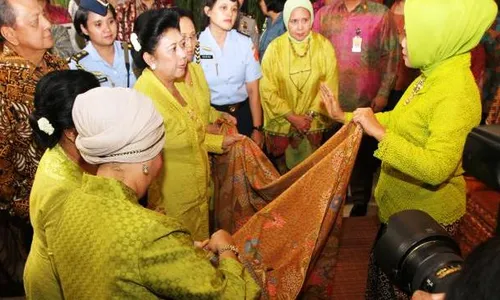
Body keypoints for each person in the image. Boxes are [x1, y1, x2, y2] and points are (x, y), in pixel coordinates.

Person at [320, 0, 497, 298]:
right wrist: (345, 116)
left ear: (436, 37)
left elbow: (436, 168)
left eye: (410, 34)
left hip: (425, 223)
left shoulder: (455, 94)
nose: (401, 41)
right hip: (402, 215)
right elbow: (398, 120)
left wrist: (380, 134)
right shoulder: (433, 74)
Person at [46, 87, 260, 299]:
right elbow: (235, 296)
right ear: (148, 159)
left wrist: (175, 251)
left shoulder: (65, 203)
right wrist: (226, 247)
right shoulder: (152, 232)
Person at [133, 9, 242, 240]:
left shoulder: (176, 82)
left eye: (183, 44)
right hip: (173, 205)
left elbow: (194, 130)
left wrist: (220, 138)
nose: (184, 54)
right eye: (174, 48)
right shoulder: (146, 98)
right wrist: (218, 141)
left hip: (199, 196)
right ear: (150, 59)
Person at [0, 0, 67, 293]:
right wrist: (28, 210)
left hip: (67, 198)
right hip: (24, 217)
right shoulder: (4, 83)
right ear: (10, 33)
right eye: (34, 20)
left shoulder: (56, 64)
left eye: (45, 16)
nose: (47, 24)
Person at [313, 0, 399, 217]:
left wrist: (383, 93)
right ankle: (330, 203)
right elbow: (312, 51)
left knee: (363, 158)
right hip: (330, 102)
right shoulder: (324, 14)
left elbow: (391, 57)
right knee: (331, 156)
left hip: (366, 102)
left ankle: (360, 202)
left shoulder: (381, 15)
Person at [23, 70, 100, 300]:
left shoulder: (74, 151)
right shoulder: (62, 191)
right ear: (71, 131)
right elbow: (77, 264)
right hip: (59, 285)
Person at [260, 0, 337, 173]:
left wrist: (308, 116)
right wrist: (293, 117)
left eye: (305, 20)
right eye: (294, 21)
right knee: (285, 182)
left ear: (312, 20)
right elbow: (267, 89)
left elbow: (329, 84)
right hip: (282, 124)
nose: (300, 27)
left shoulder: (324, 46)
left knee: (313, 178)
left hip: (314, 124)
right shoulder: (274, 49)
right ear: (286, 21)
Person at [199, 0, 264, 147]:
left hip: (243, 115)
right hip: (213, 118)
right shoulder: (197, 46)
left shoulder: (245, 43)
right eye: (223, 7)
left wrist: (257, 128)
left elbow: (253, 90)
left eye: (234, 9)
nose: (230, 13)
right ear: (208, 11)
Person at [69, 0, 136, 87]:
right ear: (84, 29)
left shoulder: (133, 52)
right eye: (98, 24)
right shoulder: (78, 66)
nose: (107, 29)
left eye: (111, 22)